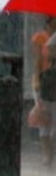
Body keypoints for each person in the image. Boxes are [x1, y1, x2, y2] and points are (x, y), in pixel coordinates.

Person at [30, 17, 56, 165]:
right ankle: (47, 155)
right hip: (44, 83)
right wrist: (38, 82)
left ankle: (52, 153)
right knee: (44, 120)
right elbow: (36, 61)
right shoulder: (40, 38)